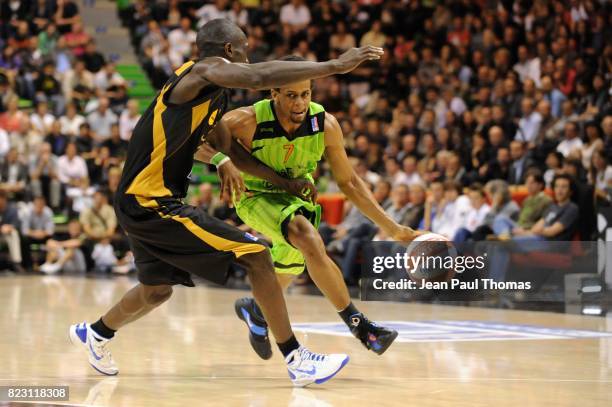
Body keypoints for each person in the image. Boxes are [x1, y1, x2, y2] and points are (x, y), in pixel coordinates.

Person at [69, 18, 384, 387]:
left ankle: (97, 333)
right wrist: (334, 66)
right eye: (246, 49)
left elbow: (226, 146)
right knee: (258, 257)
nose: (250, 58)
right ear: (230, 51)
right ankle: (297, 358)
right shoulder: (201, 72)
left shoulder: (213, 94)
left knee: (156, 290)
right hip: (151, 201)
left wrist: (267, 175)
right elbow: (256, 78)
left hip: (143, 199)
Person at [199, 56, 417, 360]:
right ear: (273, 94)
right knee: (307, 237)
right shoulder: (247, 120)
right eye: (290, 95)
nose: (299, 103)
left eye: (305, 94)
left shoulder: (324, 125)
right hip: (254, 197)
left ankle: (255, 310)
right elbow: (194, 139)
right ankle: (361, 326)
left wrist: (394, 228)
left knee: (292, 263)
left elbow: (350, 183)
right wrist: (221, 160)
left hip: (296, 199)